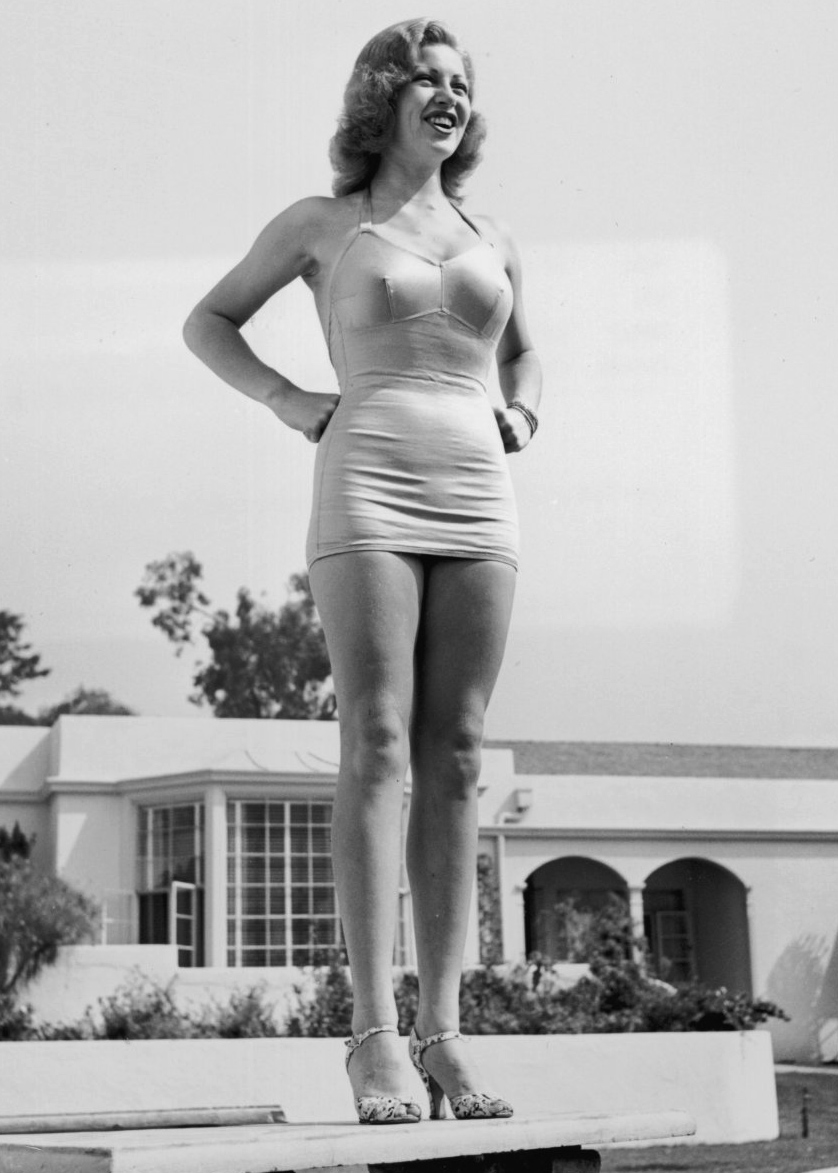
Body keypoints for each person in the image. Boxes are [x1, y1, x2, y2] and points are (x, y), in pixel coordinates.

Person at [183, 18, 541, 1125]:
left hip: (479, 493)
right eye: (425, 79)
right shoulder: (322, 224)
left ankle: (444, 1033)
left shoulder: (492, 233)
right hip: (369, 482)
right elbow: (209, 320)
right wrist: (288, 398)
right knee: (377, 740)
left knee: (459, 754)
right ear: (381, 97)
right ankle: (373, 1033)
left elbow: (525, 348)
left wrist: (524, 410)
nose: (447, 96)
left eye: (460, 83)